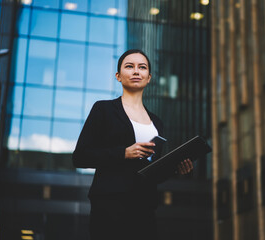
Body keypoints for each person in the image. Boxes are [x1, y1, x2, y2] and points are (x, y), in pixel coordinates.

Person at [72, 49, 193, 240]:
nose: (136, 71)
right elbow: (80, 157)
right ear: (118, 76)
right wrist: (124, 153)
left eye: (142, 67)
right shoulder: (104, 109)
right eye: (130, 66)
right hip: (110, 204)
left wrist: (176, 168)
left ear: (149, 77)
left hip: (144, 206)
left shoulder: (156, 122)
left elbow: (152, 172)